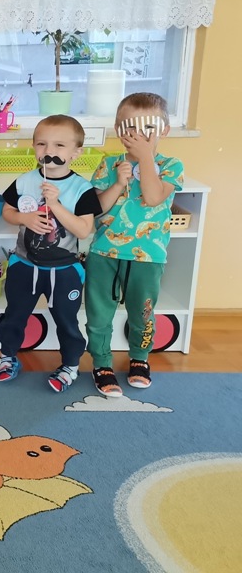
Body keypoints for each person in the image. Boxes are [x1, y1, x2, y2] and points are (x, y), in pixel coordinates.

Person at [86, 93, 183, 397]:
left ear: (164, 130)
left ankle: (140, 358)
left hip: (148, 256)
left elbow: (153, 197)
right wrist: (118, 183)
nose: (139, 135)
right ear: (119, 130)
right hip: (105, 253)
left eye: (149, 128)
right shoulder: (109, 164)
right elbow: (97, 209)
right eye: (131, 128)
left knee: (142, 312)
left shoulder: (171, 166)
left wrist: (145, 158)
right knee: (99, 313)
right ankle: (102, 363)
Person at [0, 115, 102, 391]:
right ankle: (7, 356)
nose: (49, 151)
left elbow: (83, 230)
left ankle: (70, 366)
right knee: (15, 314)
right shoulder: (24, 181)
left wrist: (55, 204)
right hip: (24, 265)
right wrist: (24, 218)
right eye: (42, 143)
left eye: (59, 145)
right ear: (34, 147)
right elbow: (7, 211)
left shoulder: (82, 189)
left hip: (64, 271)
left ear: (76, 152)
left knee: (67, 321)